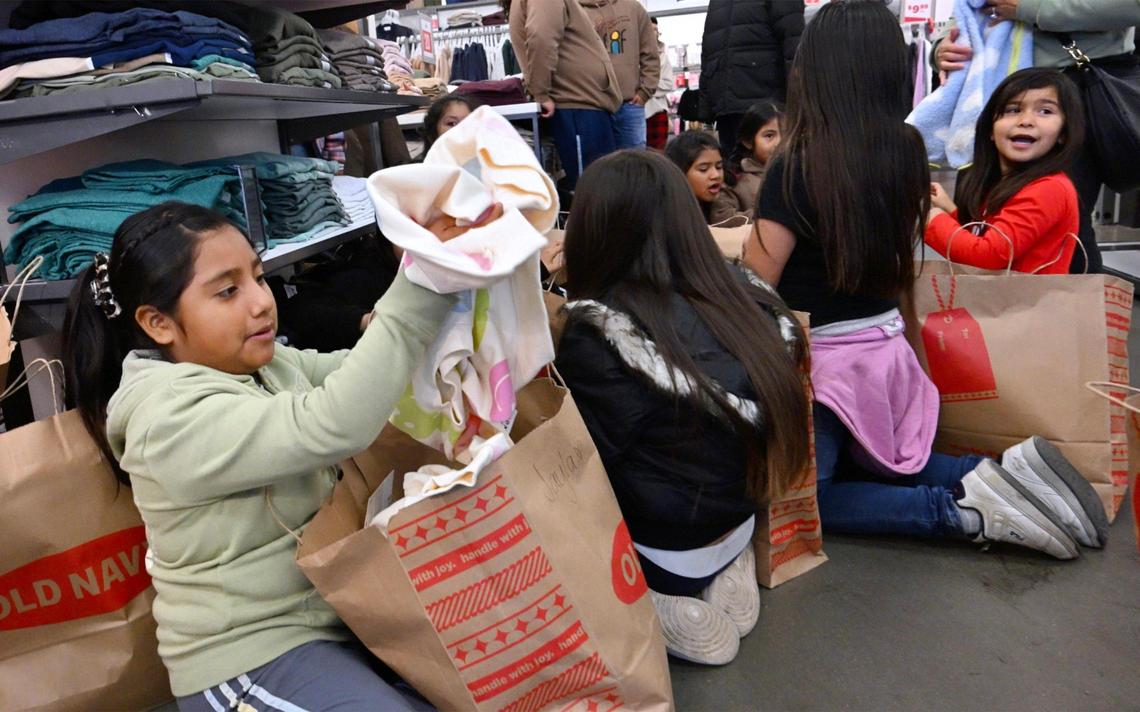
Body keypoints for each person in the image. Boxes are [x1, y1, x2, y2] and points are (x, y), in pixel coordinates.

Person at [61, 200, 502, 710]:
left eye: (258, 277)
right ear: (159, 323)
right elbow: (335, 421)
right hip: (249, 656)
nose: (260, 302)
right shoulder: (167, 418)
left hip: (339, 618)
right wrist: (423, 281)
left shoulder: (260, 366)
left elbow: (359, 376)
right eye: (228, 291)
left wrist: (462, 326)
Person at [742, 1, 1107, 560]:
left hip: (825, 368)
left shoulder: (795, 163)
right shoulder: (908, 151)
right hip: (888, 353)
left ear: (813, 73)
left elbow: (758, 283)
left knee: (814, 495)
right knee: (886, 461)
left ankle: (961, 513)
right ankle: (997, 471)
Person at [554, 149, 811, 666]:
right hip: (742, 514)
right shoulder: (745, 293)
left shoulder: (599, 329)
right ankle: (724, 567)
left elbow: (590, 462)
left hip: (663, 546)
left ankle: (663, 596)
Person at [934, 1, 1140, 273]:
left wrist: (1028, 7)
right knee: (981, 206)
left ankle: (1073, 311)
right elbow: (969, 7)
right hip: (991, 86)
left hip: (1067, 79)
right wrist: (942, 46)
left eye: (1040, 113)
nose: (1026, 121)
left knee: (1068, 228)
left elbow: (991, 253)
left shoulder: (1051, 187)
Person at [926, 68, 1084, 274]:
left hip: (1023, 305)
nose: (1026, 121)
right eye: (1013, 109)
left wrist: (932, 220)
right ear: (991, 129)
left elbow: (988, 256)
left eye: (1045, 111)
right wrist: (950, 211)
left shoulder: (1049, 188)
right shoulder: (1008, 182)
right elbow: (989, 239)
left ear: (1064, 132)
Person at [507, 0, 623, 191]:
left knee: (599, 189)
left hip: (580, 103)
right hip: (577, 104)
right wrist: (541, 92)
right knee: (596, 191)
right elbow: (542, 36)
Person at [699, 0, 803, 159]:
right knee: (735, 175)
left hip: (766, 102)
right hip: (726, 106)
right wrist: (706, 104)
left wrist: (798, 99)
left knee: (773, 171)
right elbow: (708, 50)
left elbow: (794, 44)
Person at [581, 0, 660, 149]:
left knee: (634, 165)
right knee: (597, 165)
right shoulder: (574, 9)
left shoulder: (633, 8)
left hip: (629, 104)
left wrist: (645, 92)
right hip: (591, 106)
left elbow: (650, 54)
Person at [665, 130, 746, 224]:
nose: (715, 175)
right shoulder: (670, 216)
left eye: (719, 167)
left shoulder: (726, 197)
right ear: (679, 172)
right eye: (703, 169)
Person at [726, 100, 783, 217]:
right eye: (769, 135)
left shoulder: (801, 175)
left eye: (787, 134)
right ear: (748, 141)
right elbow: (722, 217)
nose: (780, 142)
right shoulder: (734, 179)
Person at [644, 17, 675, 151]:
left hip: (657, 111)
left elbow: (668, 84)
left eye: (656, 30)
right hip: (636, 110)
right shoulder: (633, 53)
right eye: (651, 29)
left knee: (658, 155)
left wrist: (644, 85)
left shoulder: (663, 57)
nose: (654, 32)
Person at [419, 94, 478, 159]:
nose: (461, 129)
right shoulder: (424, 168)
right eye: (452, 123)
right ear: (433, 132)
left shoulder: (487, 165)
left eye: (468, 122)